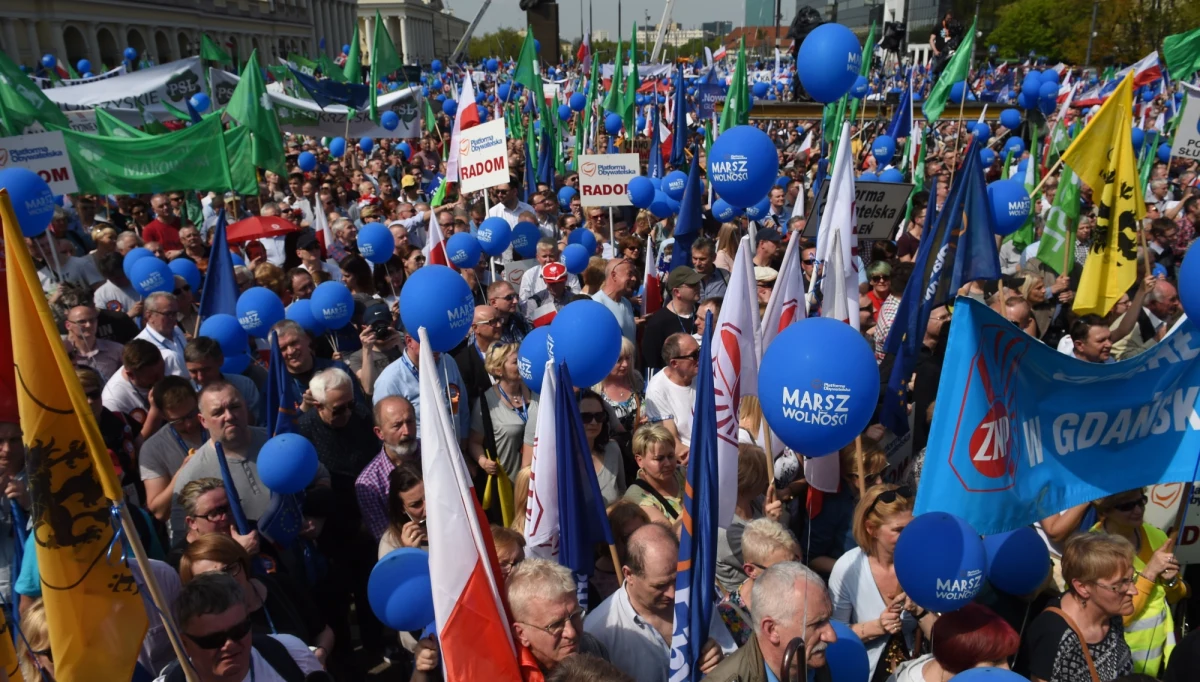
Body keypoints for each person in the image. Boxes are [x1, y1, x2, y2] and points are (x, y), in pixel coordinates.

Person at [584, 524, 734, 682]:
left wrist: (721, 661)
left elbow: (732, 657)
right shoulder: (599, 631)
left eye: (677, 579)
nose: (673, 593)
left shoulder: (695, 601)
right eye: (660, 586)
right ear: (629, 574)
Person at [173, 381, 330, 522]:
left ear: (245, 406)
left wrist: (316, 518)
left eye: (235, 407)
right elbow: (184, 534)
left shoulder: (277, 442)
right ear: (203, 420)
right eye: (218, 412)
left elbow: (321, 476)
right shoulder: (193, 474)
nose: (229, 416)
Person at [828, 484, 937, 680]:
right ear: (871, 529)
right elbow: (834, 636)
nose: (908, 536)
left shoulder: (924, 564)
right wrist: (877, 626)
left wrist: (921, 612)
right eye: (898, 530)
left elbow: (943, 639)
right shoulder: (848, 568)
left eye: (911, 527)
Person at [180, 533, 334, 664]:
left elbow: (323, 631)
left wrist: (320, 654)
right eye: (211, 579)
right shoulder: (204, 628)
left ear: (242, 562)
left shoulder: (281, 585)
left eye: (229, 569)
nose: (226, 581)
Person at [157, 572, 323, 682]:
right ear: (184, 644)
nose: (229, 644)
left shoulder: (289, 653)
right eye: (214, 639)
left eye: (239, 631)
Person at [1089, 489, 1187, 675]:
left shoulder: (1156, 536)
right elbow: (1112, 616)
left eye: (1141, 501)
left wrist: (1171, 581)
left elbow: (1175, 596)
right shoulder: (1093, 549)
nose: (1138, 510)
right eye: (1126, 506)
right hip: (1118, 659)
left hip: (1157, 654)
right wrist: (1149, 572)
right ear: (1105, 511)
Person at [1016, 533, 1136, 682]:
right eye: (1119, 584)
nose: (1133, 591)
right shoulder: (1053, 634)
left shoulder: (1111, 614)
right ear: (1083, 587)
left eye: (1132, 579)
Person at [705, 562, 839, 682]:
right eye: (816, 624)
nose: (832, 636)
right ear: (772, 630)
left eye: (828, 620)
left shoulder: (811, 660)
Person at [509, 558, 611, 677]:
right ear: (521, 634)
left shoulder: (591, 648)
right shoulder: (509, 674)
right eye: (556, 624)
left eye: (575, 616)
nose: (571, 633)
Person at [805, 439, 889, 575]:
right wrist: (858, 572)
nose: (880, 481)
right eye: (869, 478)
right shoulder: (833, 506)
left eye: (883, 472)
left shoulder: (884, 491)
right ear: (848, 476)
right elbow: (813, 558)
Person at [372, 326, 469, 442]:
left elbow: (461, 405)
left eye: (438, 340)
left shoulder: (447, 361)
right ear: (409, 341)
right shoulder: (389, 381)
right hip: (418, 457)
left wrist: (463, 440)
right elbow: (387, 430)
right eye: (429, 341)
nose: (436, 347)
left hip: (456, 450)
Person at [718, 518, 802, 648]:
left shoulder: (800, 590)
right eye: (780, 570)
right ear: (751, 571)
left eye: (794, 562)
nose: (793, 575)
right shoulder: (727, 616)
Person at [887, 604, 1020, 682]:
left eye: (1007, 659)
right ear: (961, 658)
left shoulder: (946, 660)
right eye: (995, 661)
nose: (1007, 669)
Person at [716, 444, 784, 593]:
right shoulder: (726, 529)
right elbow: (774, 564)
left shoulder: (756, 500)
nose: (767, 482)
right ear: (752, 482)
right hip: (751, 602)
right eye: (763, 477)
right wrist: (771, 525)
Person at [356, 396, 420, 541]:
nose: (407, 431)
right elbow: (386, 538)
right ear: (379, 433)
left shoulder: (435, 452)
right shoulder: (369, 484)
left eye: (410, 422)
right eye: (397, 426)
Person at [468, 344, 533, 483]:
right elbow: (474, 442)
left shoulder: (535, 393)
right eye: (516, 362)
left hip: (539, 482)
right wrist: (484, 462)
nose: (522, 364)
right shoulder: (486, 402)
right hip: (508, 484)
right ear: (499, 370)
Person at [644, 333, 699, 459]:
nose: (700, 359)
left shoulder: (704, 374)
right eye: (694, 355)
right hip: (690, 459)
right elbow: (673, 443)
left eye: (700, 351)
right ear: (674, 363)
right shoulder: (657, 390)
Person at [184, 337, 263, 424]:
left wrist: (235, 402)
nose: (200, 377)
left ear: (220, 360)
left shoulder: (244, 385)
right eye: (193, 371)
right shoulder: (186, 394)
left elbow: (257, 422)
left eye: (206, 370)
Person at [592, 337, 644, 467]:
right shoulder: (595, 389)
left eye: (628, 358)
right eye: (619, 360)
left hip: (639, 453)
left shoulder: (636, 379)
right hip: (610, 458)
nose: (625, 364)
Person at [102, 339, 167, 438]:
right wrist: (155, 412)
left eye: (163, 371)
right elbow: (132, 447)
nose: (161, 379)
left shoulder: (167, 358)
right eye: (153, 377)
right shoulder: (113, 401)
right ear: (131, 375)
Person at [622, 425, 685, 525]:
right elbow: (669, 536)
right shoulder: (637, 497)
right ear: (640, 460)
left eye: (671, 456)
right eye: (659, 459)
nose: (668, 463)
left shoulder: (683, 473)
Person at [641, 267, 701, 372]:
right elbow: (652, 364)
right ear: (677, 292)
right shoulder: (658, 322)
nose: (698, 287)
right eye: (692, 285)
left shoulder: (703, 314)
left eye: (698, 283)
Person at [578, 390, 626, 505]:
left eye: (599, 416)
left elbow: (623, 495)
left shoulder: (613, 450)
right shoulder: (560, 459)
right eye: (586, 417)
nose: (594, 422)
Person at [454, 305, 504, 408]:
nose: (499, 325)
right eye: (492, 322)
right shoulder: (463, 362)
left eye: (499, 319)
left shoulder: (510, 352)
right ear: (476, 328)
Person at [62, 301, 124, 382]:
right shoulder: (63, 354)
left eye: (92, 320)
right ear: (68, 325)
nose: (88, 325)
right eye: (81, 322)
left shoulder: (116, 349)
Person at [135, 291, 190, 378]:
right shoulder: (140, 347)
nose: (174, 319)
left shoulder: (177, 330)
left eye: (175, 314)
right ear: (149, 316)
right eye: (168, 314)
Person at [378, 461, 426, 555]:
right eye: (416, 504)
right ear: (402, 508)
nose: (427, 508)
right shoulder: (391, 544)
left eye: (429, 498)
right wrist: (409, 553)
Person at [592, 258, 639, 345]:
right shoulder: (596, 304)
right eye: (630, 274)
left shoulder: (627, 303)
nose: (634, 279)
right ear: (614, 275)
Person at [488, 280, 531, 345]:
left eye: (516, 296)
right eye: (509, 297)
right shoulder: (486, 327)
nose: (515, 301)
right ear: (494, 302)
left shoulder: (519, 318)